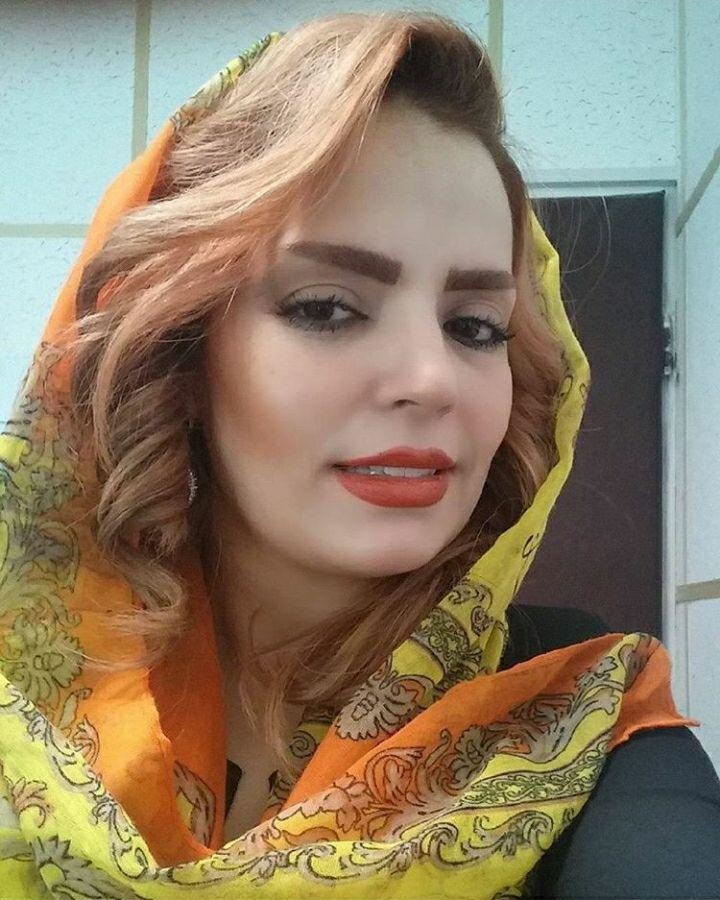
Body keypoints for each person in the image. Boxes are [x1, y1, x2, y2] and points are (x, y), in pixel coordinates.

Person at [0, 10, 718, 899]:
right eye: (327, 308)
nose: (431, 378)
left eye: (475, 326)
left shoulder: (585, 722)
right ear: (181, 353)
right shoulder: (22, 687)